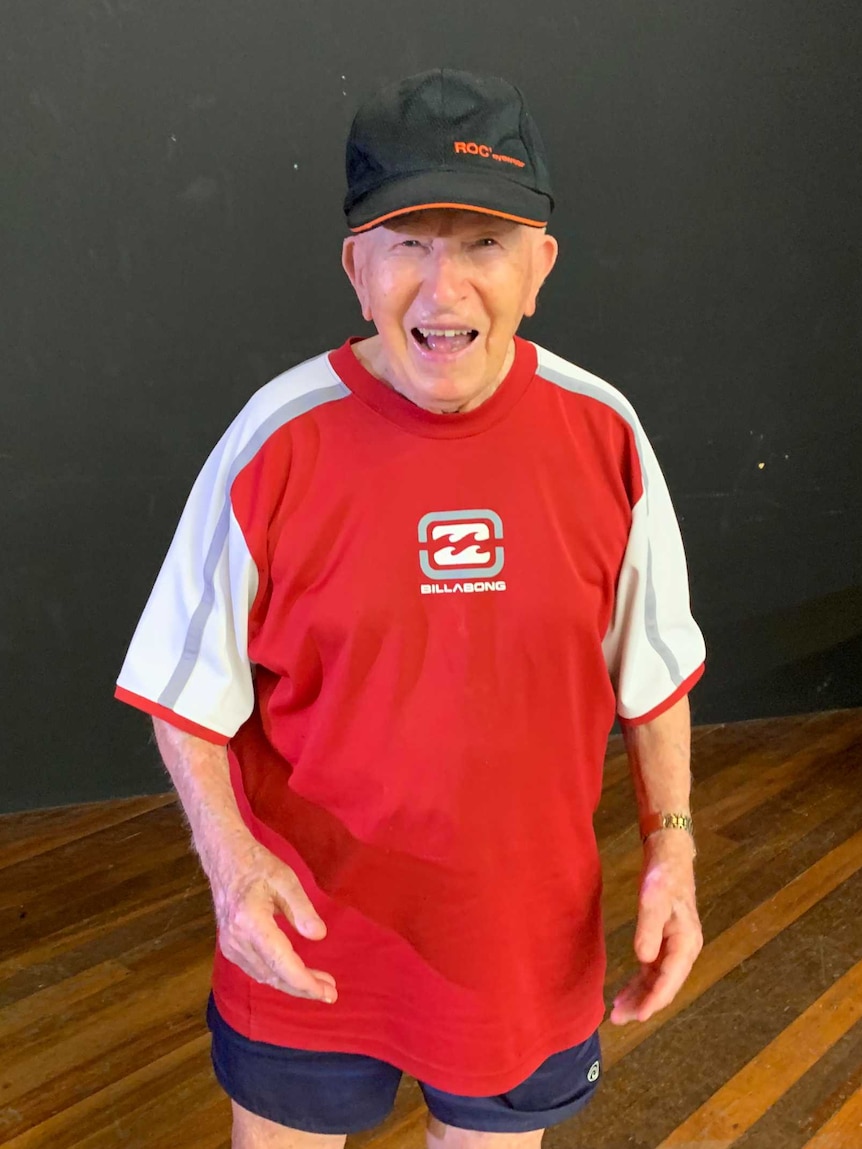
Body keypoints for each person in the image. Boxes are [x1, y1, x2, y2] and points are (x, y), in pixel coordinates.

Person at [115, 68, 706, 1149]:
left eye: (482, 243)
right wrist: (232, 870)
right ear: (357, 267)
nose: (443, 291)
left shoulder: (604, 434)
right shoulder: (275, 438)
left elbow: (651, 675)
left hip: (521, 951)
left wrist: (671, 849)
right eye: (408, 241)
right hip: (304, 943)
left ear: (540, 267)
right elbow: (181, 691)